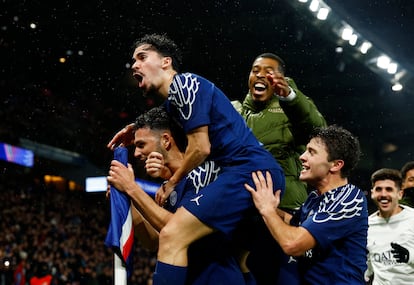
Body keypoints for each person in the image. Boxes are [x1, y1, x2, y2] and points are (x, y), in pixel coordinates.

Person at [107, 33, 285, 285]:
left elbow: (201, 148)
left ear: (166, 62)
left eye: (142, 57)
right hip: (246, 171)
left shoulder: (185, 84)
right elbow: (163, 122)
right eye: (133, 60)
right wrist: (134, 127)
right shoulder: (175, 102)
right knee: (228, 249)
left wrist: (170, 182)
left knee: (174, 234)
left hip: (249, 169)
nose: (135, 65)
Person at [108, 106, 255, 284]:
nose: (136, 153)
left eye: (141, 145)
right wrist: (129, 200)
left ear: (165, 140)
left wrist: (132, 188)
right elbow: (153, 241)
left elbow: (178, 228)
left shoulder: (205, 173)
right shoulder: (167, 187)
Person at [232, 52, 326, 284]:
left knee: (282, 277)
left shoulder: (292, 109)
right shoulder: (234, 110)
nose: (261, 75)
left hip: (285, 209)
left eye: (269, 71)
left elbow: (319, 131)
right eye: (256, 70)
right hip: (241, 209)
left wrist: (291, 98)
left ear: (281, 79)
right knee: (239, 268)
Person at [244, 125, 368, 284]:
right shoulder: (315, 197)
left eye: (311, 152)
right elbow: (296, 223)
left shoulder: (349, 198)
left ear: (336, 165)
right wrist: (271, 207)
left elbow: (293, 244)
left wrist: (267, 210)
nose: (302, 157)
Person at [365, 168, 414, 284]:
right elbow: (367, 266)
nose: (383, 194)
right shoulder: (365, 226)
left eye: (389, 189)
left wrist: (409, 256)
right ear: (372, 193)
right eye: (378, 189)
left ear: (400, 194)